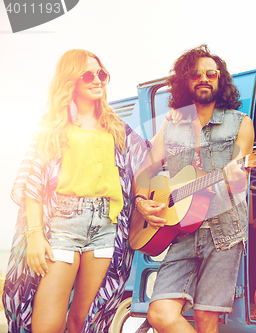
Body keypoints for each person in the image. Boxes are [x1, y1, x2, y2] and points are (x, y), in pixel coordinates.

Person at [2, 49, 150, 333]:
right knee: (47, 325)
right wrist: (35, 235)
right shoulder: (52, 128)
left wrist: (142, 198)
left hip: (106, 227)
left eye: (101, 74)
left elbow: (145, 165)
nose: (98, 80)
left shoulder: (118, 128)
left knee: (85, 321)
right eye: (88, 75)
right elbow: (33, 183)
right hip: (62, 226)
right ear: (71, 81)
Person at [133, 44, 254, 333]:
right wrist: (140, 201)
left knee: (205, 320)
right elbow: (145, 170)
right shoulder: (172, 125)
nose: (204, 78)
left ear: (219, 79)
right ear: (185, 81)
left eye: (211, 73)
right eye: (196, 74)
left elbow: (239, 182)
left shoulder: (240, 123)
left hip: (224, 231)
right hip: (181, 231)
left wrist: (238, 176)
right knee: (160, 314)